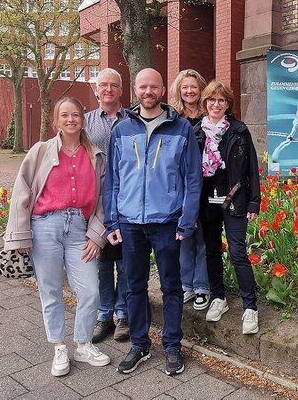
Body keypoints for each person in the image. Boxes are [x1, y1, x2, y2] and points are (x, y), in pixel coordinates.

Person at [104, 68, 202, 376]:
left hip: (167, 222)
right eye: (143, 86)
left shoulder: (181, 128)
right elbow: (113, 179)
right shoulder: (120, 130)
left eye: (154, 87)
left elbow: (192, 178)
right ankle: (140, 344)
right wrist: (112, 221)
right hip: (130, 222)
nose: (148, 91)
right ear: (135, 90)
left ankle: (172, 345)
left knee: (171, 286)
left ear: (162, 90)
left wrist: (186, 221)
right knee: (134, 286)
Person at [4, 97, 111, 377]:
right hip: (44, 227)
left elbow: (104, 201)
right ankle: (59, 346)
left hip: (79, 228)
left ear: (83, 119)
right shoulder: (40, 151)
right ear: (56, 121)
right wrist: (20, 237)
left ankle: (83, 343)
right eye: (65, 115)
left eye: (76, 114)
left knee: (90, 289)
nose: (71, 119)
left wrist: (96, 235)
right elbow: (21, 193)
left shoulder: (96, 156)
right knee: (50, 292)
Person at [194, 81, 261, 334]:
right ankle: (219, 298)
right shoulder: (196, 132)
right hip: (206, 201)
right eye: (212, 100)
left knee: (237, 253)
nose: (216, 104)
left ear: (228, 104)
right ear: (205, 103)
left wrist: (254, 202)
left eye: (221, 100)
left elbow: (252, 169)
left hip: (235, 201)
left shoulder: (239, 130)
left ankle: (250, 307)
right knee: (211, 251)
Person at [85, 68, 130, 344]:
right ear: (96, 90)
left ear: (121, 90)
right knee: (101, 261)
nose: (108, 89)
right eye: (103, 85)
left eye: (114, 85)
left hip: (127, 200)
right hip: (96, 202)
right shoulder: (86, 122)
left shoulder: (134, 120)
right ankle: (105, 314)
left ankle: (123, 313)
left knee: (126, 259)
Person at [169, 69, 210, 311]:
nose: (190, 91)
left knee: (203, 237)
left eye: (194, 87)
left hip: (206, 184)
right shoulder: (174, 118)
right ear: (179, 90)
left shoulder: (210, 117)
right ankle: (187, 284)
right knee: (183, 236)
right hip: (180, 184)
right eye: (185, 87)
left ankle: (202, 286)